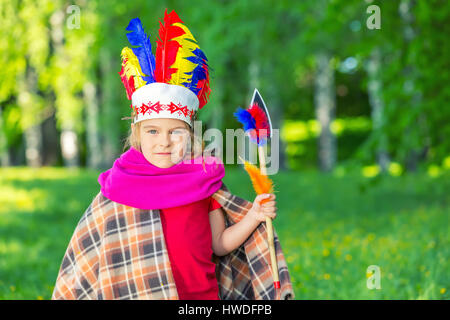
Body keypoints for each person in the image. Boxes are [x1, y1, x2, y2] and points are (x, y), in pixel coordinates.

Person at [51, 9, 294, 300]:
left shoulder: (203, 182)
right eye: (153, 131)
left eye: (175, 132)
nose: (164, 142)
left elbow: (219, 244)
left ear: (189, 135)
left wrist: (254, 215)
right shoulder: (118, 187)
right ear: (137, 135)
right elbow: (90, 257)